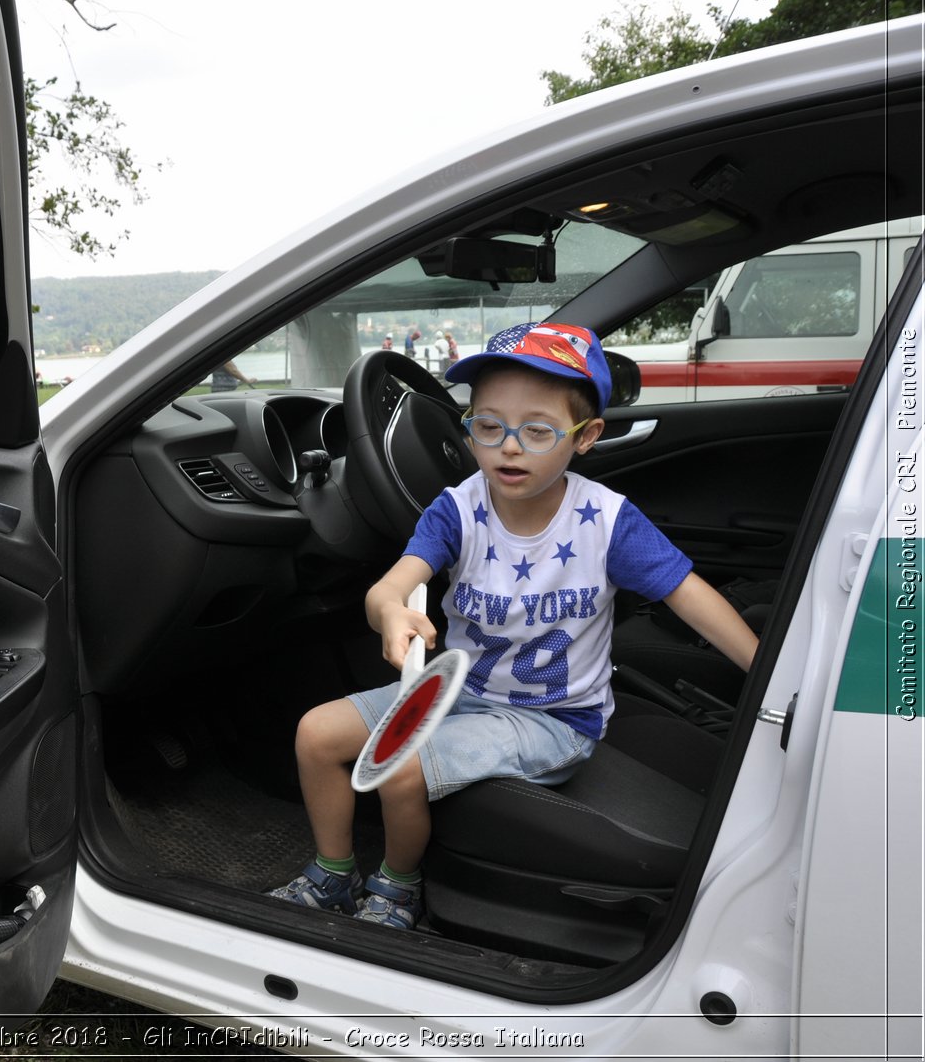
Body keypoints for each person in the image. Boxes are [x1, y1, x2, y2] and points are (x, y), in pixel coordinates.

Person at [267, 322, 759, 927]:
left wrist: (768, 672)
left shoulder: (605, 522)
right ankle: (334, 875)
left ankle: (397, 887)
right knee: (315, 733)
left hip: (555, 720)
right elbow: (392, 585)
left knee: (400, 768)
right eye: (488, 425)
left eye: (537, 430)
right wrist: (393, 610)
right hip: (458, 693)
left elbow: (691, 597)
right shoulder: (459, 508)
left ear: (586, 437)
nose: (508, 446)